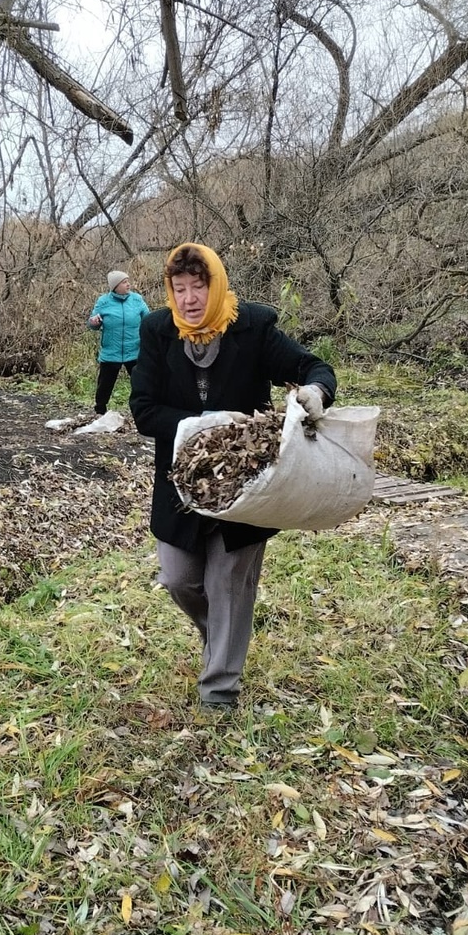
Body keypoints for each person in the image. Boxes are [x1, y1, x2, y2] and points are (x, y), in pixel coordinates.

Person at [129, 243, 336, 712]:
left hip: (247, 483)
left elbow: (311, 366)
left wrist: (317, 390)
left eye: (198, 287)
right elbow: (143, 409)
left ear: (215, 284)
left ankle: (218, 693)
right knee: (179, 578)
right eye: (178, 289)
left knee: (228, 584)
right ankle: (220, 636)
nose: (188, 299)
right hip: (183, 480)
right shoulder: (157, 331)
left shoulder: (254, 326)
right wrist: (201, 426)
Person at [87, 270, 150, 414]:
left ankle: (142, 411)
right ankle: (99, 411)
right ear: (115, 286)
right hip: (111, 351)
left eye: (128, 281)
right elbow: (92, 324)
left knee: (141, 384)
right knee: (105, 385)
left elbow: (149, 321)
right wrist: (94, 322)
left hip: (134, 350)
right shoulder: (104, 301)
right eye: (124, 282)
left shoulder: (137, 299)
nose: (128, 284)